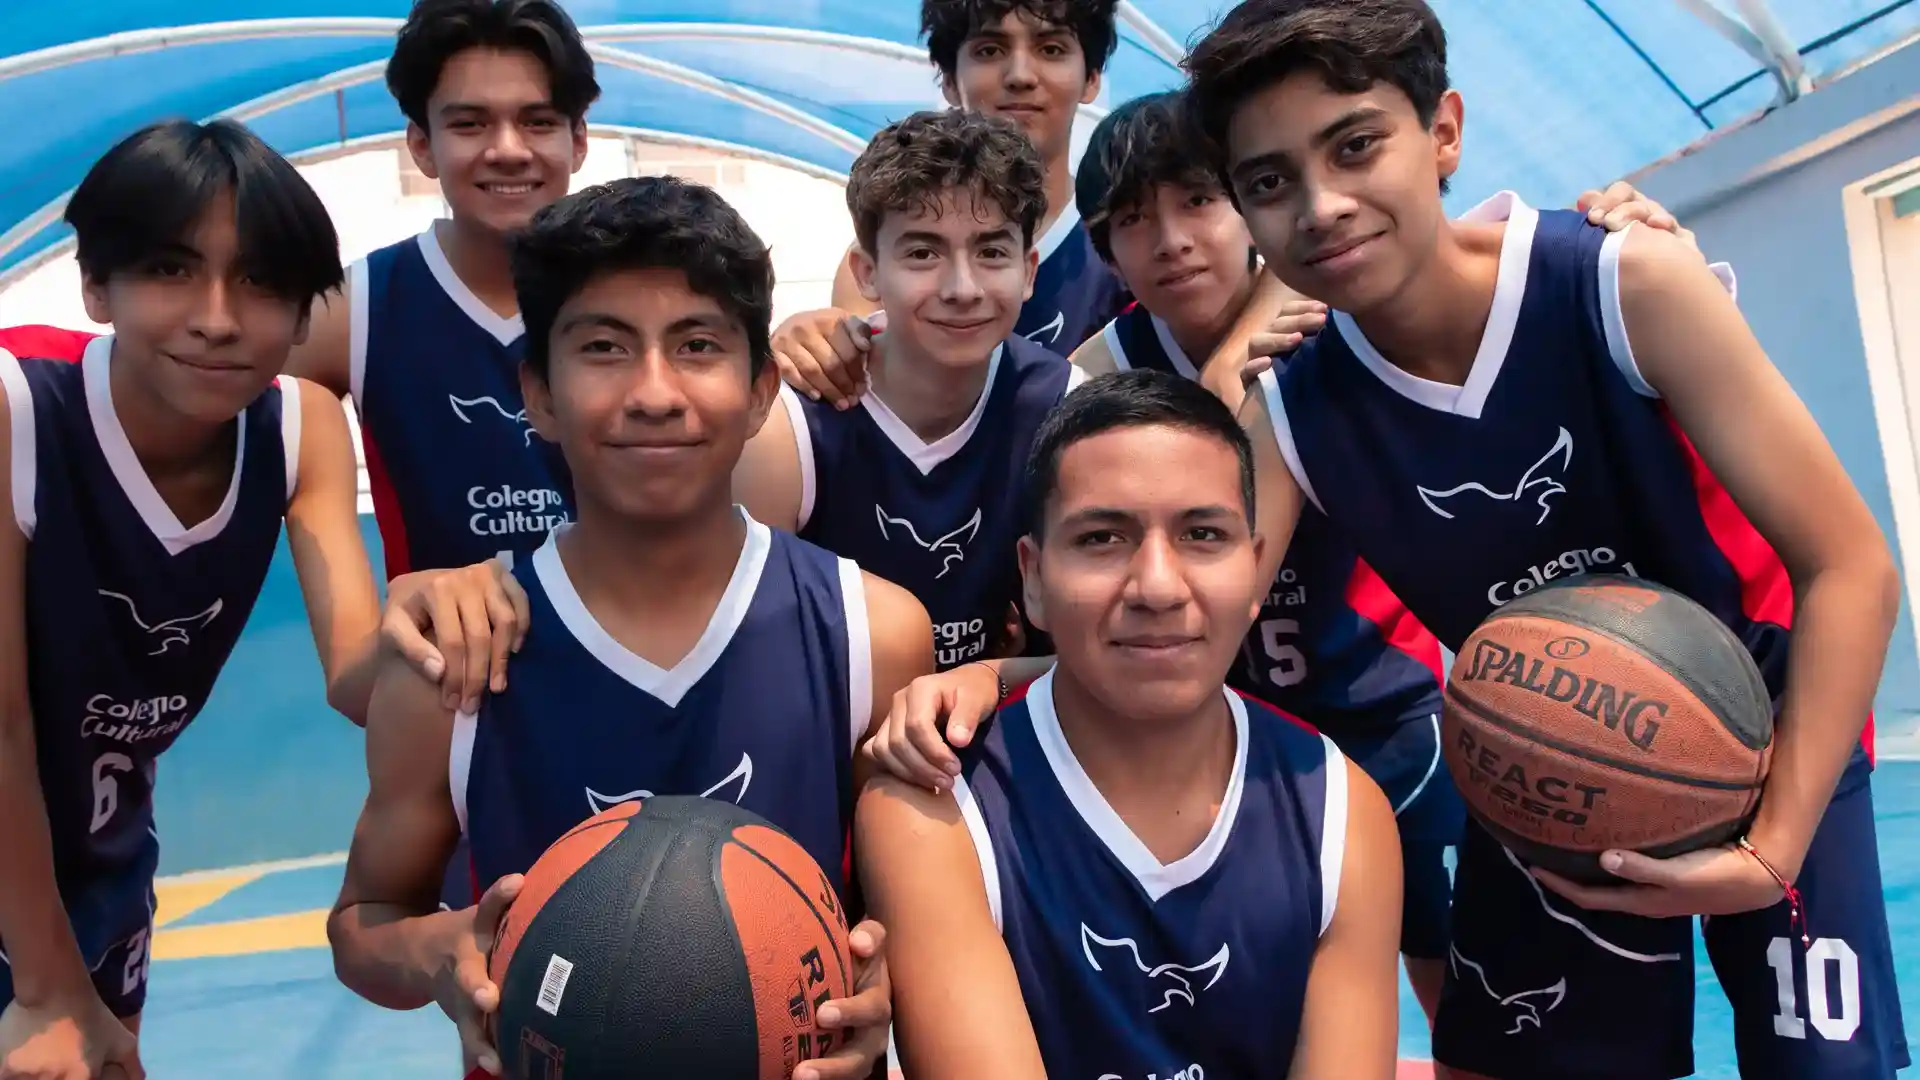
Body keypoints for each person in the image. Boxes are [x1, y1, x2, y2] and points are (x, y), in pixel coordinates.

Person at [1181, 2, 1907, 1078]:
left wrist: (1773, 852)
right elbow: (1190, 620)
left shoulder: (1623, 281)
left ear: (1444, 132)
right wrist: (991, 680)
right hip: (1541, 755)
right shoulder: (1289, 412)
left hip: (1769, 726)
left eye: (1356, 146)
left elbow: (1850, 566)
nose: (1322, 205)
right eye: (1271, 181)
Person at [328, 175, 928, 1080]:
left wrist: (886, 985)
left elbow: (914, 919)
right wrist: (438, 953)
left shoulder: (871, 631)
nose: (654, 393)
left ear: (761, 391)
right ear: (539, 394)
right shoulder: (455, 654)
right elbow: (362, 922)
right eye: (604, 348)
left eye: (697, 346)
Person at [0, 119, 521, 1080]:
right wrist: (46, 988)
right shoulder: (19, 408)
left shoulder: (298, 425)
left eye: (260, 281)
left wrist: (424, 614)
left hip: (99, 849)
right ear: (95, 286)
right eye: (171, 270)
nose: (218, 317)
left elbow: (355, 681)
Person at [858, 369, 1404, 1080]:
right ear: (1032, 577)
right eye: (1102, 538)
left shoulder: (1342, 811)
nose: (1158, 587)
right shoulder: (932, 809)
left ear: (1256, 568)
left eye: (1202, 534)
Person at [1067, 89, 1459, 1017]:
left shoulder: (1336, 313)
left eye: (1199, 201)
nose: (1172, 240)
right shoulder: (1094, 377)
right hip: (1230, 736)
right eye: (1134, 219)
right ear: (1107, 252)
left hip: (1392, 714)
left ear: (1249, 202)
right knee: (1258, 1008)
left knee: (1457, 981)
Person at [770, 0, 1277, 410]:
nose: (1020, 75)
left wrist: (1238, 347)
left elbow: (1285, 262)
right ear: (948, 80)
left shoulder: (1128, 230)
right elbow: (847, 366)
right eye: (989, 49)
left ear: (1092, 78)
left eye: (1051, 48)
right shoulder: (882, 264)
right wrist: (808, 340)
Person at [734, 109, 1077, 670]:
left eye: (991, 252)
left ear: (1029, 270)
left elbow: (1111, 658)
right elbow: (751, 661)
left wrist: (992, 679)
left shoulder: (1070, 408)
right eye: (923, 253)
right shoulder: (787, 428)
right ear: (866, 272)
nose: (962, 288)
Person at [288, 0, 598, 587]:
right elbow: (218, 429)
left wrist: (787, 343)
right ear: (422, 145)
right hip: (442, 646)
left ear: (578, 140)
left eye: (538, 121)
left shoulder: (635, 292)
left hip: (623, 640)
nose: (508, 149)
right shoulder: (355, 309)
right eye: (469, 124)